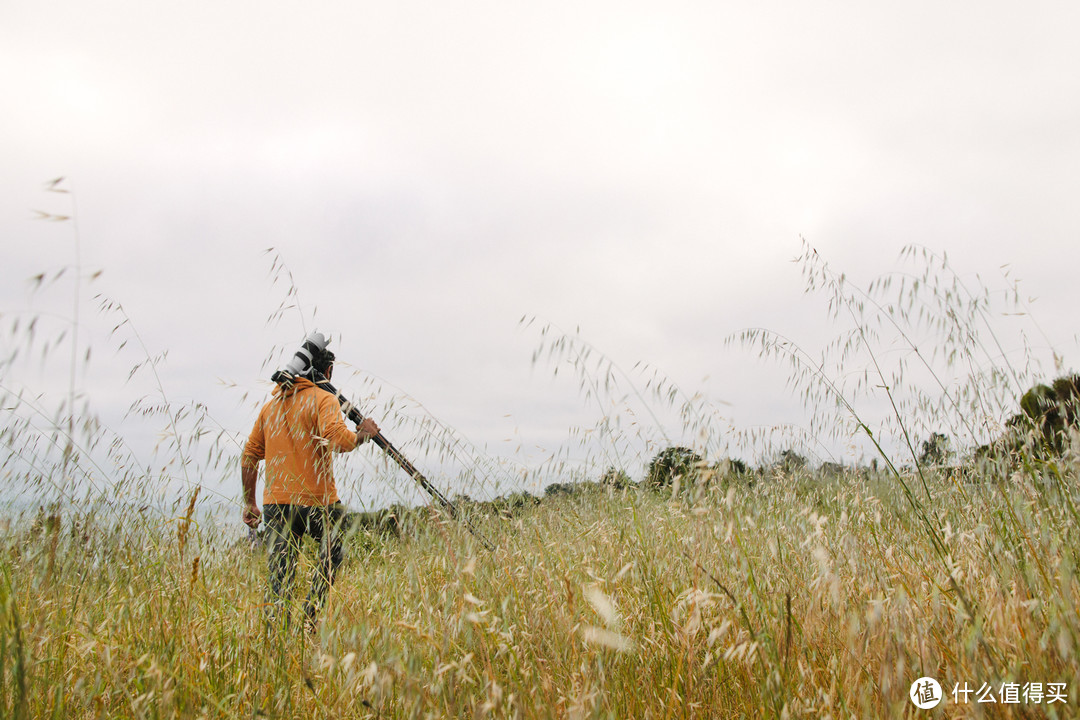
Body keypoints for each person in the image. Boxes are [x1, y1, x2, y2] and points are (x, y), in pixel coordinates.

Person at [241, 342, 379, 631]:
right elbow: (338, 440)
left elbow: (250, 455)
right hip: (319, 501)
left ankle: (277, 641)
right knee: (335, 547)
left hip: (276, 504)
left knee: (280, 574)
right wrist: (363, 434)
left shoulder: (271, 406)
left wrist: (250, 502)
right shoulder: (323, 399)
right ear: (327, 371)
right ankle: (310, 615)